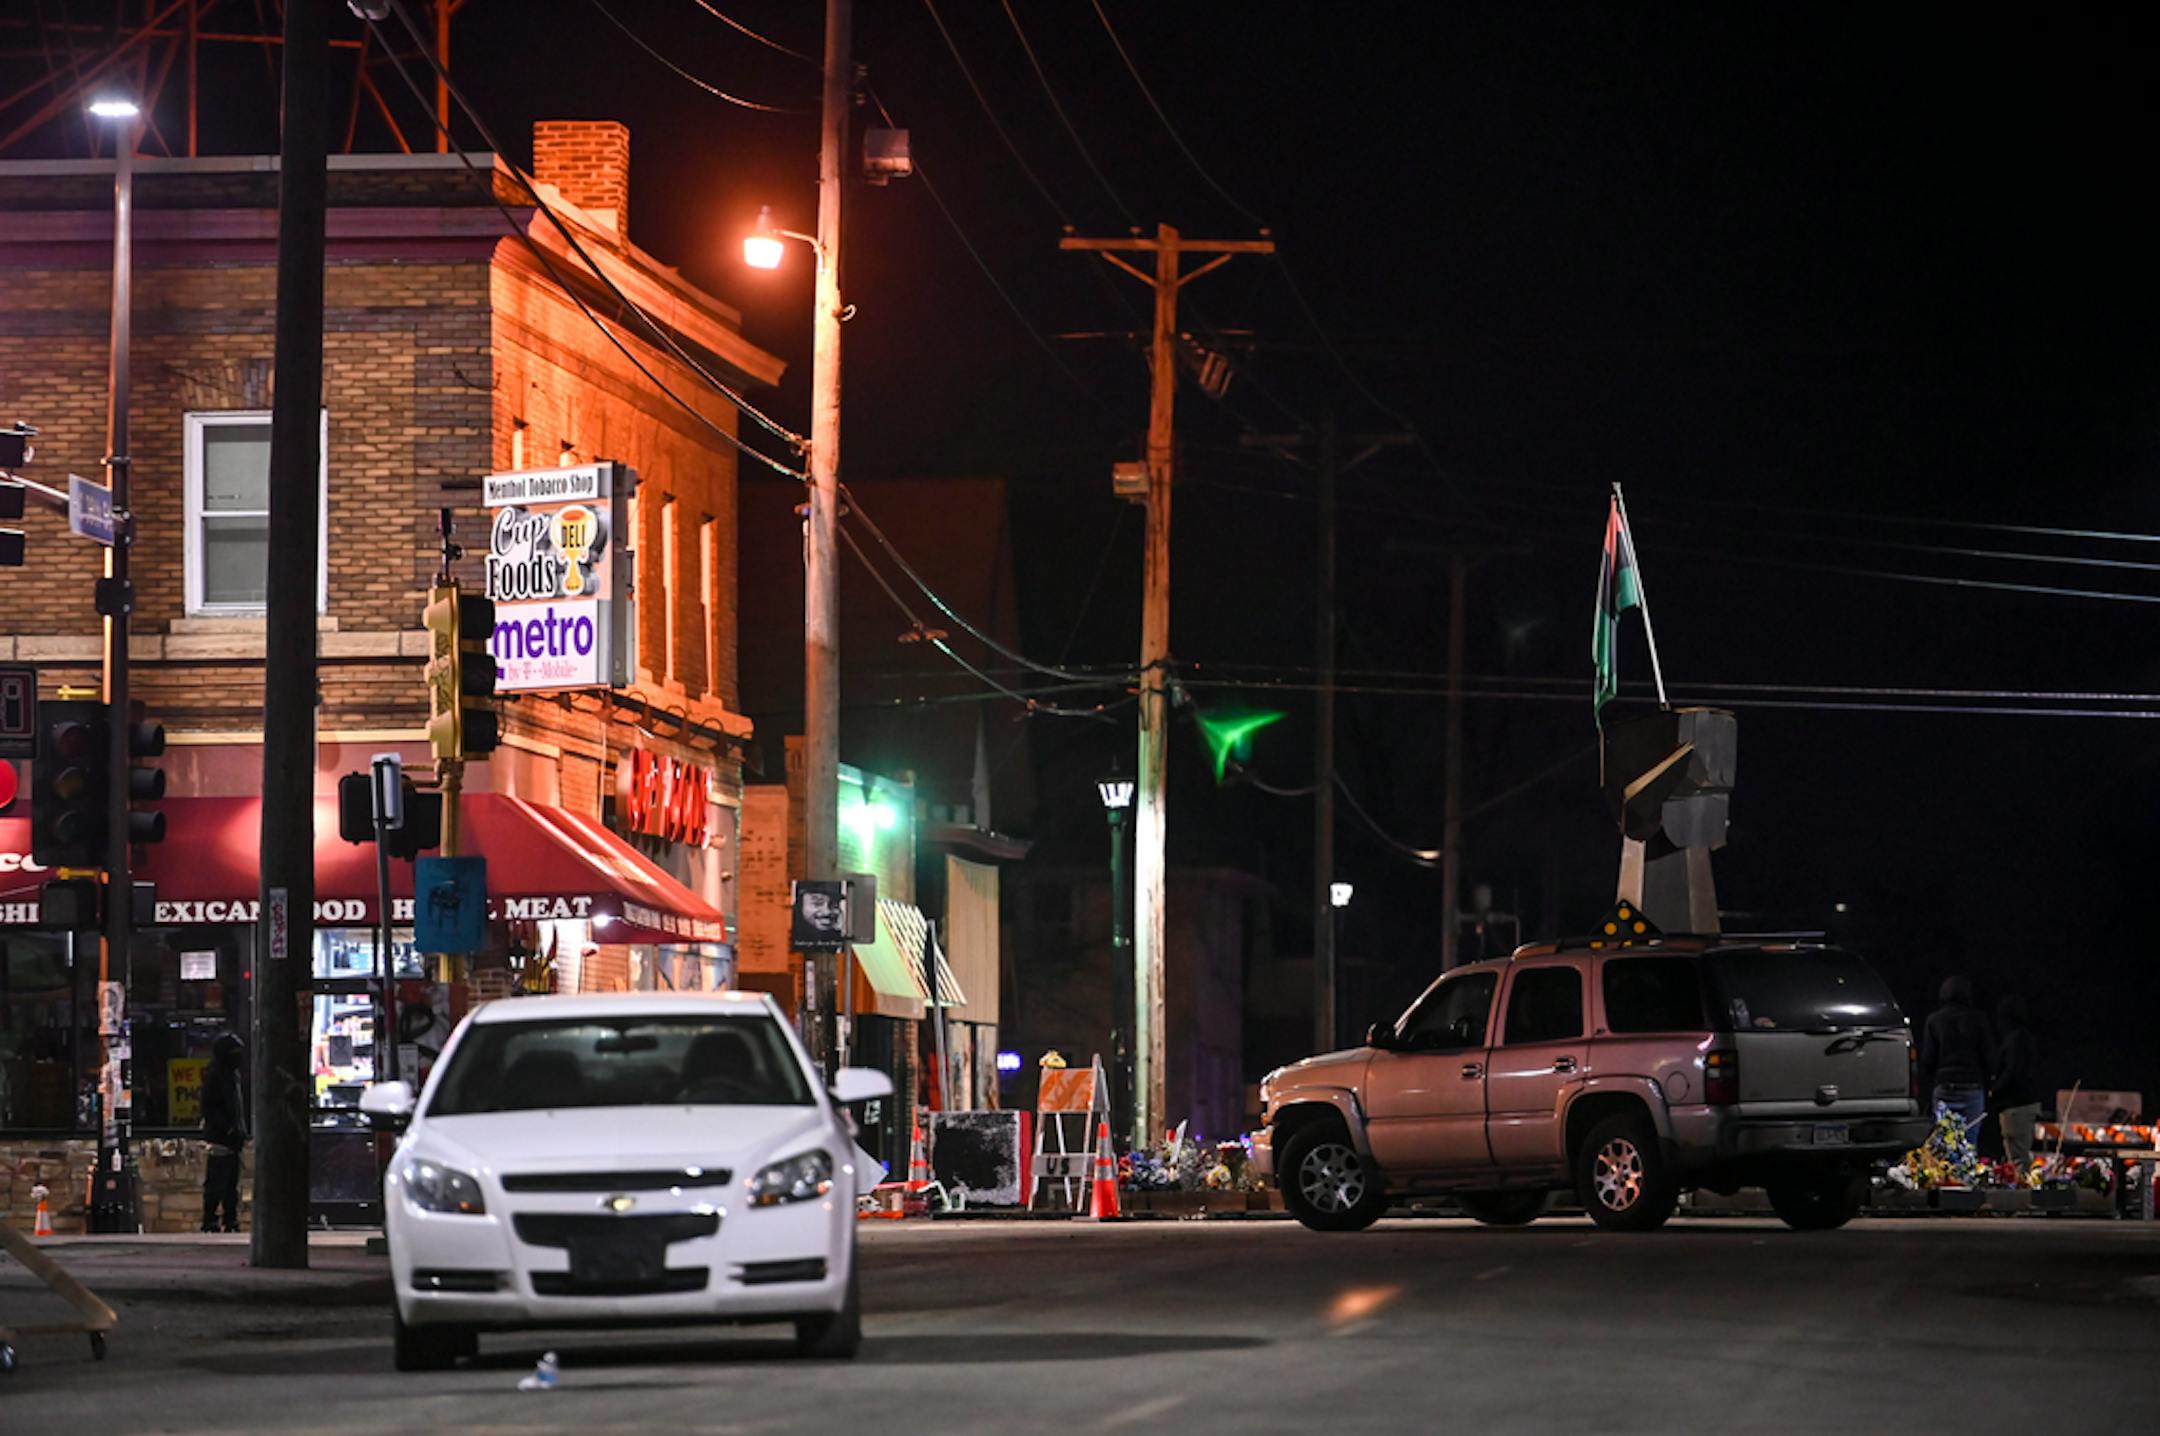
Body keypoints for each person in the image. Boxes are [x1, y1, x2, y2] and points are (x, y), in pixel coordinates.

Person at [1918, 975, 1994, 1140]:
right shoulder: (1979, 1019)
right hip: (1972, 1086)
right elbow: (1989, 1056)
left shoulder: (1934, 1020)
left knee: (1944, 1142)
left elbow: (1928, 1060)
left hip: (1945, 1086)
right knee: (1969, 1141)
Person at [201, 1033, 248, 1234]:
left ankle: (230, 1219)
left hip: (232, 1137)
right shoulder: (216, 1075)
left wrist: (239, 1130)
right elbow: (208, 1108)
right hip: (221, 1137)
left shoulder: (232, 1075)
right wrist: (228, 1128)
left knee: (230, 1184)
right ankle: (210, 1220)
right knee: (216, 1182)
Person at [1992, 996, 2042, 1170]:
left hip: (2016, 1105)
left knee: (2018, 1157)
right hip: (2023, 1103)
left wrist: (1994, 1090)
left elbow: (2012, 1071)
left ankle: (2020, 1194)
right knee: (2017, 1155)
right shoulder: (2024, 1038)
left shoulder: (2015, 1040)